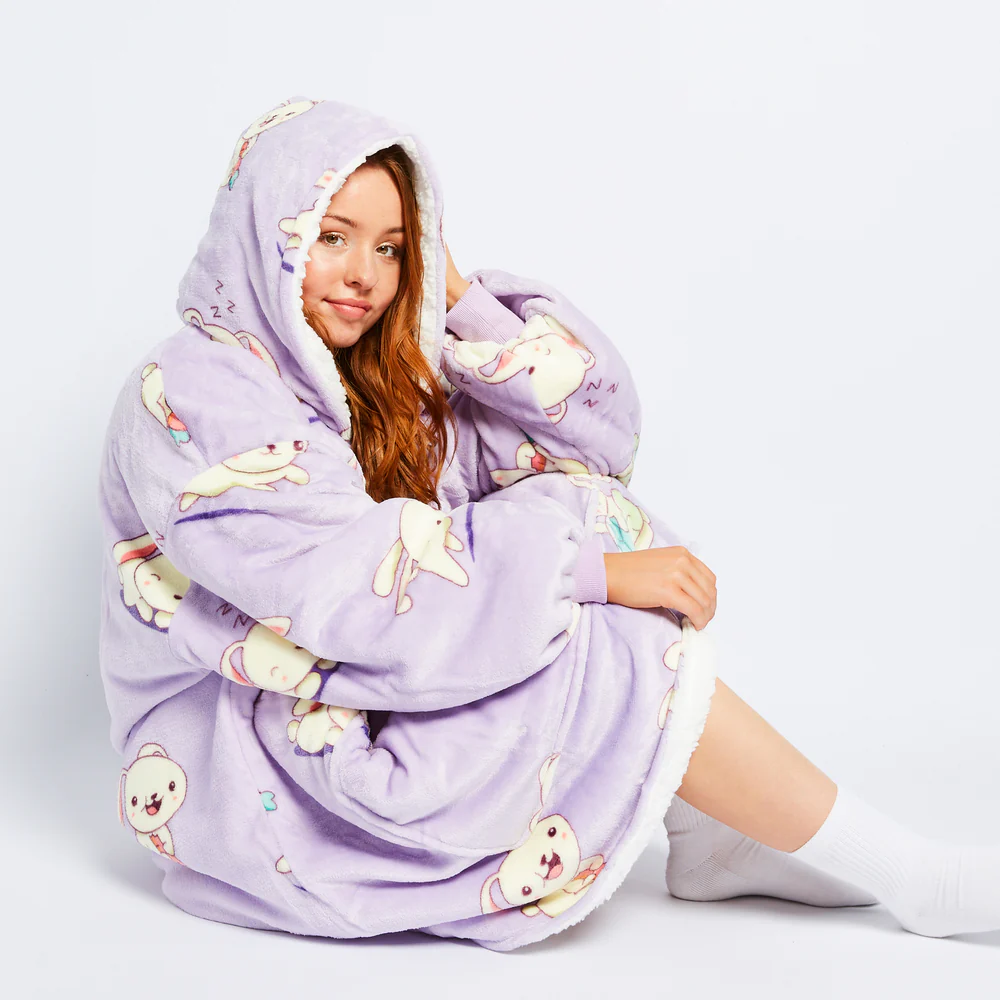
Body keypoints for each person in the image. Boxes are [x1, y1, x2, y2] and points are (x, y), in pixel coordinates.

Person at [98, 96, 1000, 953]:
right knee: (601, 626)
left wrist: (453, 296)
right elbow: (340, 580)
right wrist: (584, 578)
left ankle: (716, 833)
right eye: (330, 237)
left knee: (593, 525)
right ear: (264, 232)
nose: (365, 275)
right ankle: (905, 874)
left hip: (361, 682)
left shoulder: (375, 378)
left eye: (393, 247)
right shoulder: (198, 387)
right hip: (263, 766)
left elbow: (590, 445)